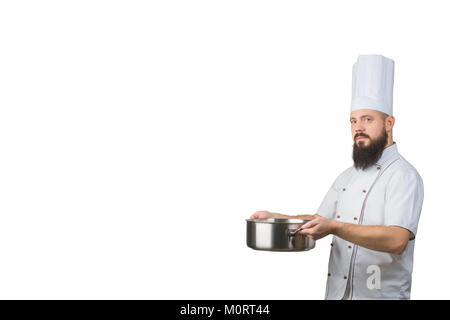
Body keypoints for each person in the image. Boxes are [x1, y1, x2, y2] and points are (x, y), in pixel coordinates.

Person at [250, 55, 424, 300]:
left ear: (389, 123)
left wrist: (335, 227)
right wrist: (278, 218)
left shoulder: (403, 176)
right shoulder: (346, 177)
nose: (358, 128)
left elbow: (397, 240)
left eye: (367, 119)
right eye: (353, 121)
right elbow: (320, 220)